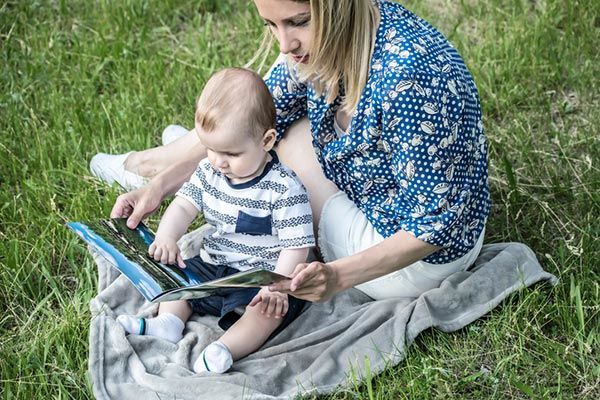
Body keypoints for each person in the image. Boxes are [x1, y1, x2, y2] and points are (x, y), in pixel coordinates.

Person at [92, 0, 491, 303]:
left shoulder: (410, 79)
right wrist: (161, 187)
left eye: (298, 21)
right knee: (263, 124)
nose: (285, 44)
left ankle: (177, 159)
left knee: (278, 141)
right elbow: (264, 109)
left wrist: (337, 277)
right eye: (271, 25)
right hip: (382, 195)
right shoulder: (344, 34)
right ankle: (158, 165)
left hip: (413, 260)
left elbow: (435, 227)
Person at [116, 67, 315, 374]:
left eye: (231, 153)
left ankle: (226, 348)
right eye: (211, 149)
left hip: (261, 276)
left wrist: (278, 284)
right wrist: (167, 237)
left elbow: (295, 248)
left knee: (267, 311)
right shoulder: (209, 172)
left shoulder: (284, 187)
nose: (219, 161)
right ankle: (168, 322)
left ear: (267, 140)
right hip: (215, 264)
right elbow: (183, 207)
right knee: (178, 276)